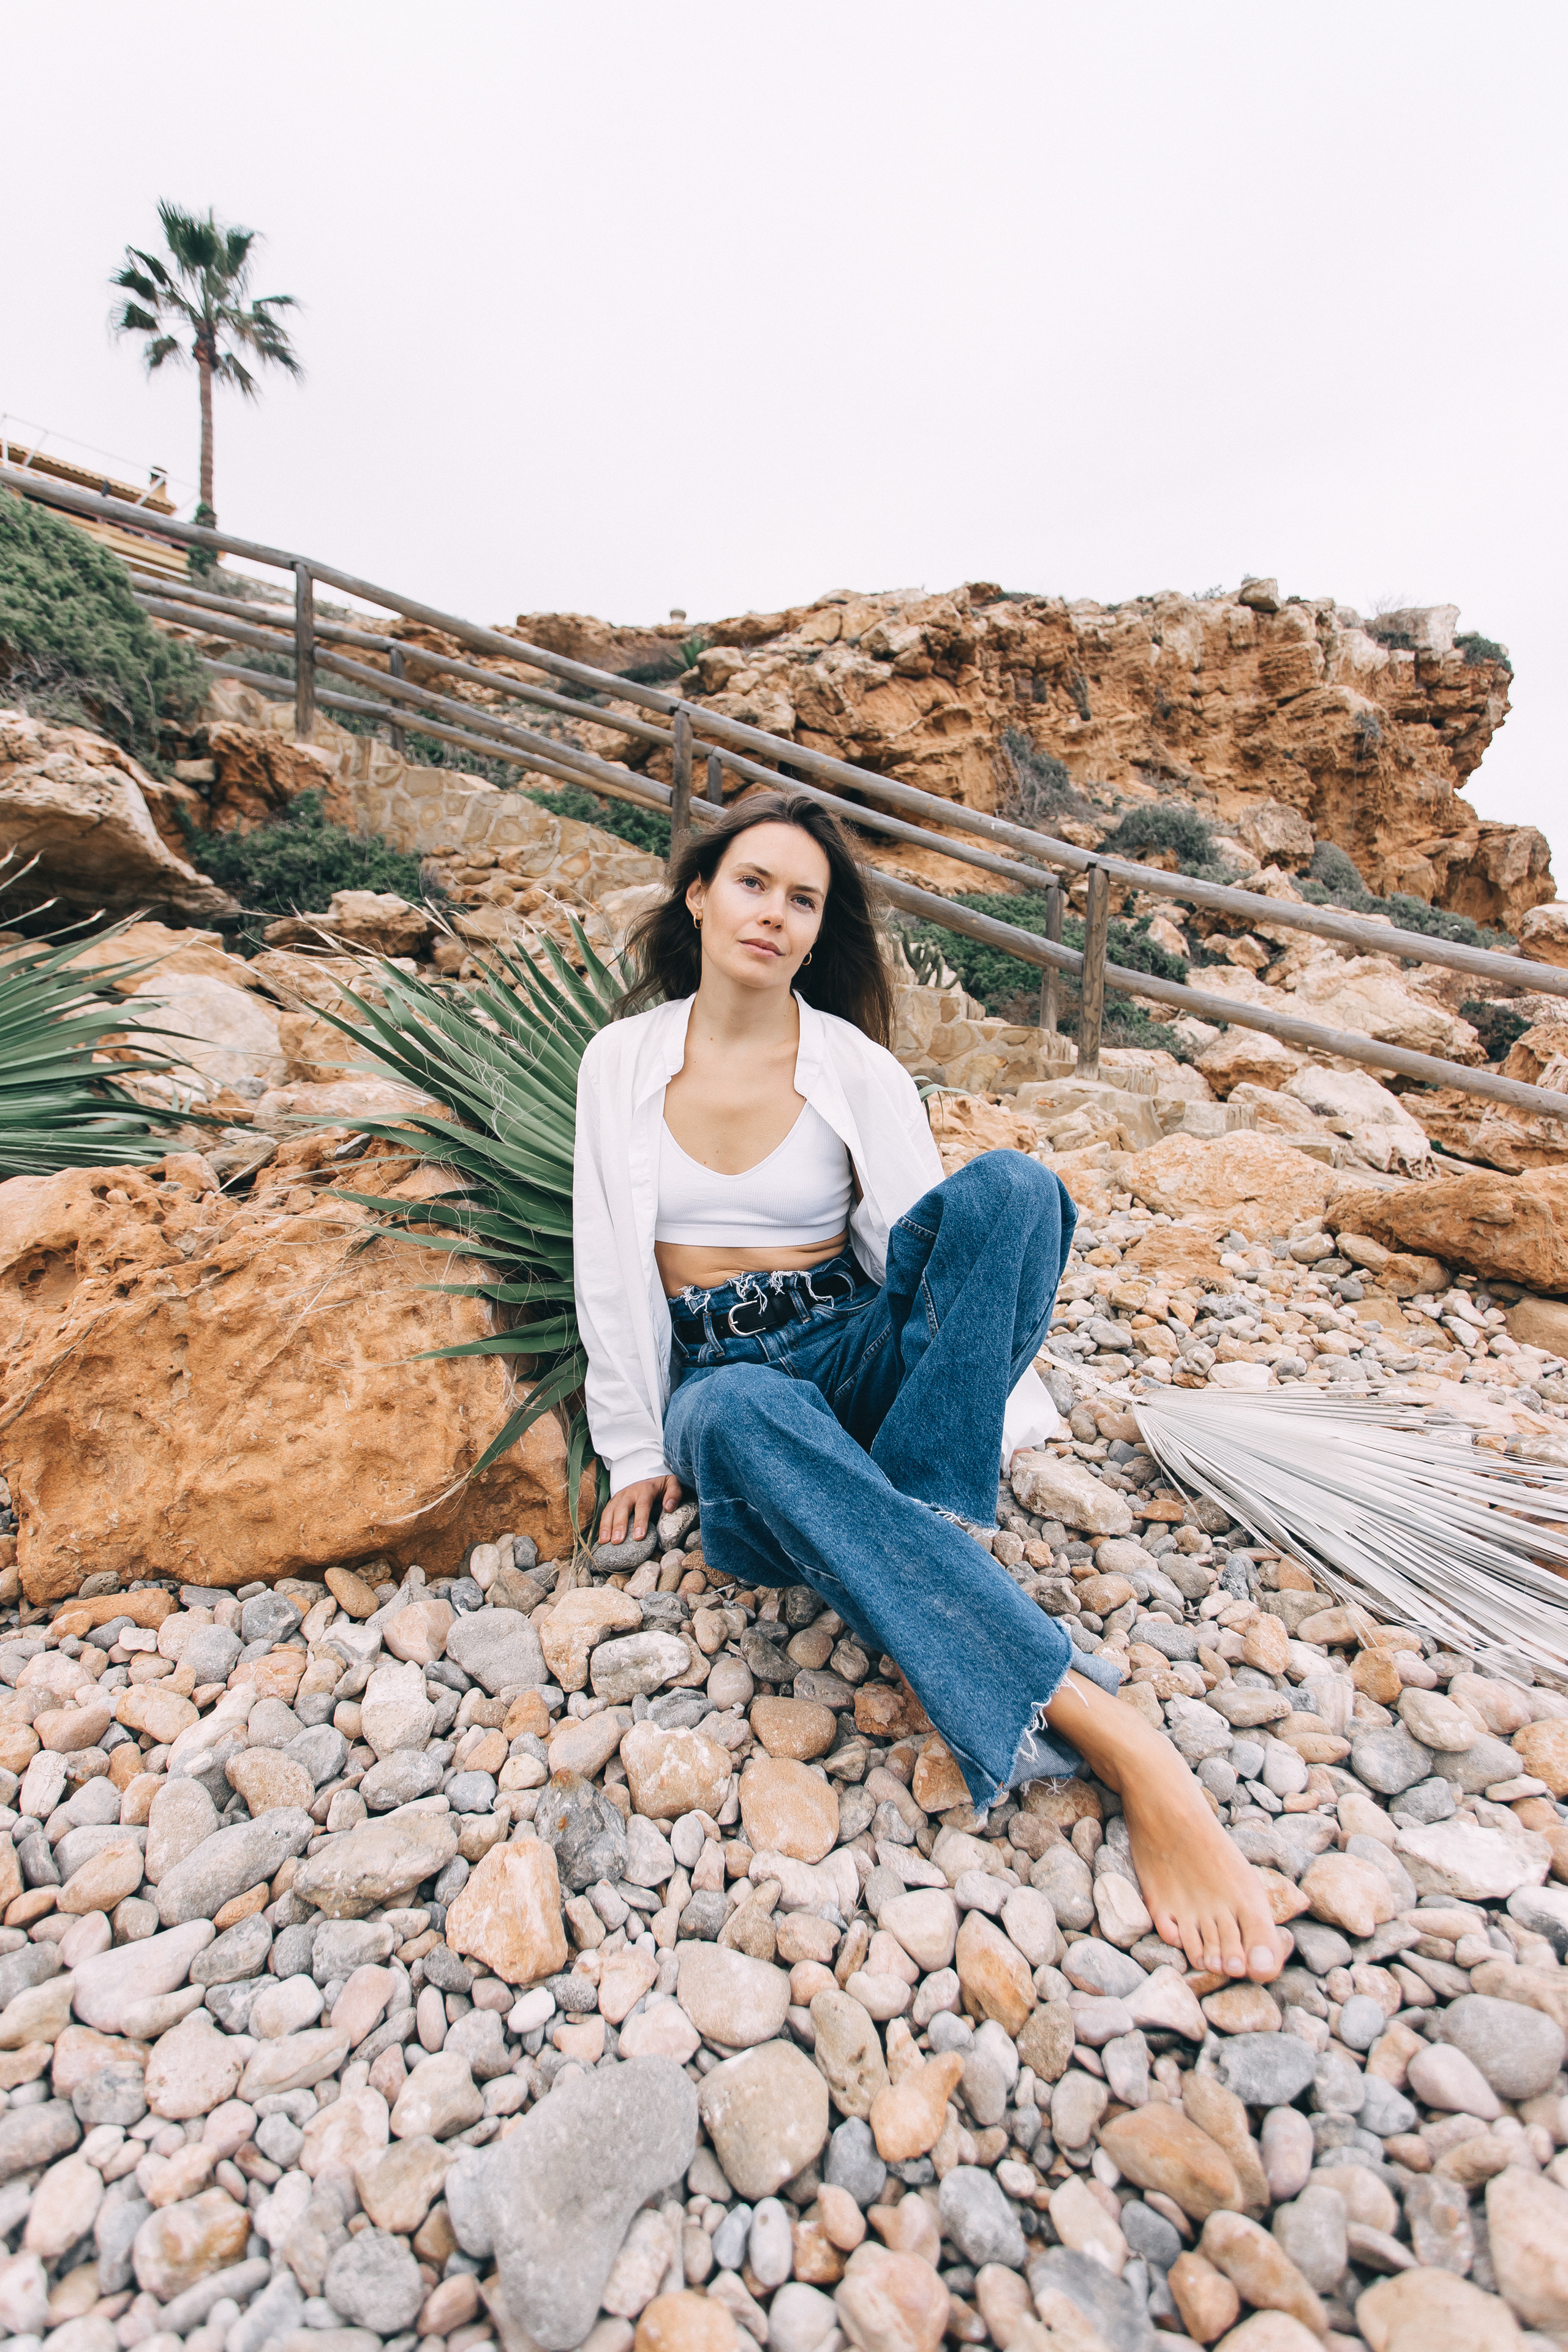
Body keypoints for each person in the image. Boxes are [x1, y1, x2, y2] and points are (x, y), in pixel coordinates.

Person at [573, 788, 1285, 1983]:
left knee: (1014, 1189)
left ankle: (918, 1532)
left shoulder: (852, 1065)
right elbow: (605, 1257)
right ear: (698, 895)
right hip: (726, 1383)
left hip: (847, 1345)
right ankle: (1107, 1729)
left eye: (804, 900)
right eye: (752, 883)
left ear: (819, 931)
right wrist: (635, 1447)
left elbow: (925, 1244)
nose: (774, 913)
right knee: (743, 1409)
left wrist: (986, 1413)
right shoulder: (621, 1061)